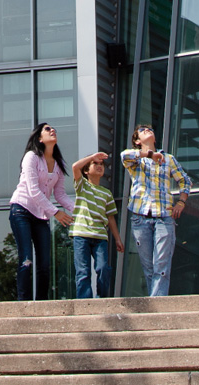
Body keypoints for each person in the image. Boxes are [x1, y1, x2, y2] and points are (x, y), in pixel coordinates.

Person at [120, 125, 189, 297]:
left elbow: (185, 181)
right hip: (140, 217)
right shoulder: (136, 160)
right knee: (149, 267)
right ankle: (156, 303)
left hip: (164, 216)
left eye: (150, 129)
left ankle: (156, 304)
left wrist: (181, 202)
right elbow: (124, 155)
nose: (148, 130)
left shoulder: (169, 159)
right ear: (137, 140)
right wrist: (151, 155)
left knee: (161, 265)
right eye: (143, 130)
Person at [8, 122, 73, 301]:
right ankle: (24, 303)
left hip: (40, 215)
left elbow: (60, 194)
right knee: (26, 259)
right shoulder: (32, 157)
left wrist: (78, 210)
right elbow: (33, 190)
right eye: (47, 129)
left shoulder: (58, 164)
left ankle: (43, 303)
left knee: (44, 263)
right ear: (39, 137)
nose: (52, 130)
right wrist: (55, 213)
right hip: (21, 210)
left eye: (54, 129)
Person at [70, 151, 122, 299]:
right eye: (95, 164)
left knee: (103, 268)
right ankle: (85, 303)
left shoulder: (107, 193)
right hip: (81, 235)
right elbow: (75, 167)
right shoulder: (82, 186)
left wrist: (117, 239)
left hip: (100, 236)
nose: (99, 166)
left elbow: (110, 218)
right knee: (83, 271)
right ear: (86, 170)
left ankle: (102, 299)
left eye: (101, 164)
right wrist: (91, 157)